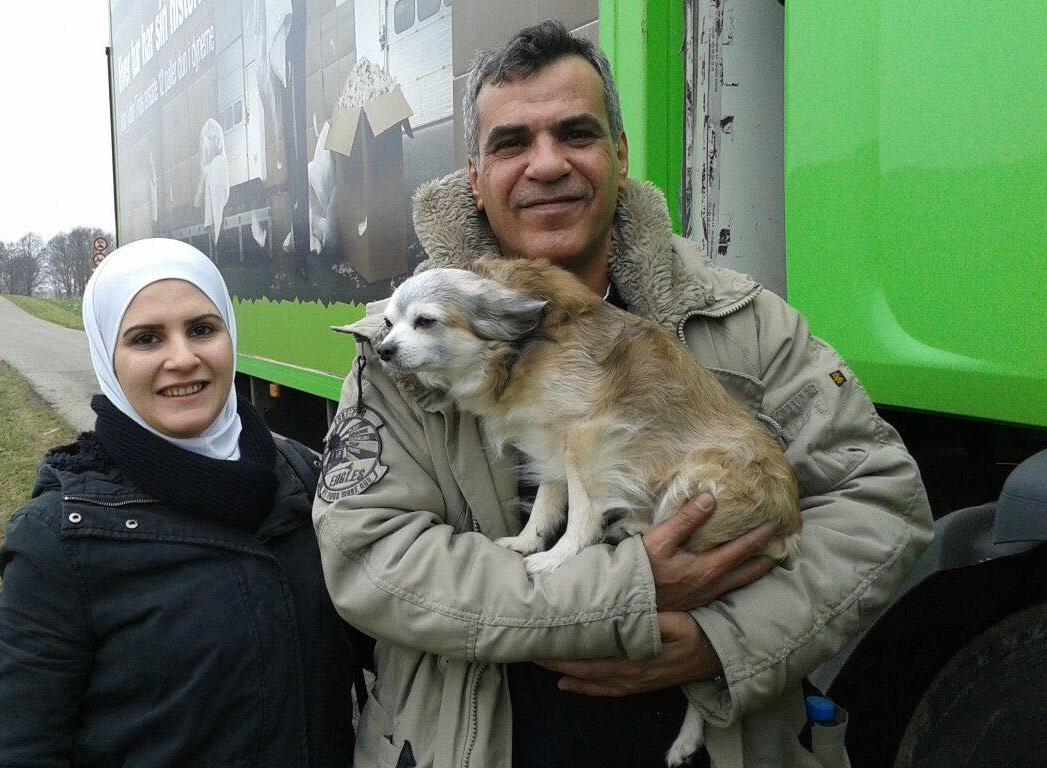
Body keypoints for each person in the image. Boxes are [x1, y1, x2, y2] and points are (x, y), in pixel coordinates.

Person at [312, 20, 933, 768]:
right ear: (473, 176)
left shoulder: (743, 323)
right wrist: (623, 598)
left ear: (619, 154)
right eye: (511, 144)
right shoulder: (395, 353)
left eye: (576, 134)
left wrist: (722, 639)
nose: (547, 165)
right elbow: (373, 560)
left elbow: (882, 501)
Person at [0, 238, 360, 767]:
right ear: (107, 358)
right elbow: (21, 751)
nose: (183, 358)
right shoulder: (59, 542)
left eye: (202, 329)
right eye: (146, 339)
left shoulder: (304, 476)